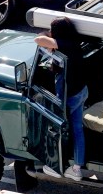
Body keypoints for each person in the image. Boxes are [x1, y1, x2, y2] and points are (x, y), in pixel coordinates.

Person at [34, 17, 89, 181]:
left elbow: (38, 39)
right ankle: (77, 168)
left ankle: (54, 165)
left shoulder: (64, 44)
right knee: (77, 129)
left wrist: (48, 35)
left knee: (56, 127)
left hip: (70, 96)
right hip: (81, 91)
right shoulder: (74, 42)